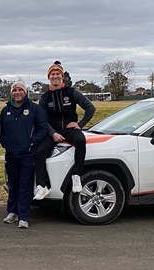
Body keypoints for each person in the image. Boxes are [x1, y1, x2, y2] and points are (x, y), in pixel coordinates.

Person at [34, 61, 96, 200]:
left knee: (80, 141)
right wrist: (53, 133)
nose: (55, 76)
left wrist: (80, 124)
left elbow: (90, 108)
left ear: (62, 77)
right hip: (53, 130)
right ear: (49, 77)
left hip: (69, 129)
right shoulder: (44, 98)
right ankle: (42, 186)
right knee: (39, 152)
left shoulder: (72, 92)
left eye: (57, 74)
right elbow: (42, 120)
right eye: (52, 74)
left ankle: (76, 175)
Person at [0, 81, 48, 229]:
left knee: (25, 185)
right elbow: (0, 130)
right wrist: (5, 143)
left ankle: (23, 216)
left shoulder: (34, 108)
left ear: (25, 92)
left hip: (27, 154)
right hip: (11, 154)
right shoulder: (5, 110)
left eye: (20, 90)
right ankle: (12, 212)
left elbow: (43, 128)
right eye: (15, 90)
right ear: (11, 93)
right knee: (12, 184)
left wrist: (32, 142)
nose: (17, 93)